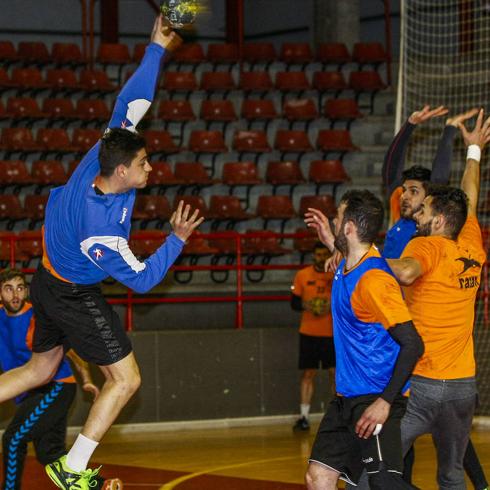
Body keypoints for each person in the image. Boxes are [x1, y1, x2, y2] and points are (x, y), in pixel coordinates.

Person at [0, 16, 203, 490]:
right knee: (126, 380)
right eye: (143, 164)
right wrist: (176, 240)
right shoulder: (102, 232)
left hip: (46, 280)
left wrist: (156, 47)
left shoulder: (105, 151)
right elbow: (142, 280)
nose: (150, 167)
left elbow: (132, 101)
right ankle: (72, 469)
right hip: (72, 293)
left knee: (39, 369)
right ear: (121, 174)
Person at [387, 109, 489, 489]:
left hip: (424, 384)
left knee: (373, 464)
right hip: (464, 385)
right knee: (450, 474)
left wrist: (364, 259)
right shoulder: (471, 241)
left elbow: (408, 271)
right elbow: (470, 193)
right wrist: (474, 151)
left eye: (426, 210)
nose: (421, 214)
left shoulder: (425, 245)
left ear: (441, 220)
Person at [303, 190, 424, 490]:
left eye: (338, 216)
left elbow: (413, 343)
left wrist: (385, 401)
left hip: (375, 397)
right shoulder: (347, 264)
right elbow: (347, 259)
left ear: (350, 227)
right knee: (318, 477)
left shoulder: (374, 280)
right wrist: (330, 241)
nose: (333, 219)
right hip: (346, 399)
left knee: (383, 483)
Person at [0, 269, 121, 490]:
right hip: (30, 393)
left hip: (55, 387)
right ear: (0, 294)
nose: (15, 295)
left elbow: (71, 350)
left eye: (19, 288)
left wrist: (86, 379)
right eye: (8, 289)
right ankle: (100, 487)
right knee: (50, 454)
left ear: (26, 291)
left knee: (13, 438)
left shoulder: (35, 317)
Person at [290, 242, 335, 431]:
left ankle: (337, 416)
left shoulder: (336, 274)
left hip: (331, 333)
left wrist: (329, 307)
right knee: (308, 374)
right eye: (318, 254)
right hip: (308, 332)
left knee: (336, 375)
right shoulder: (302, 275)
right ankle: (304, 416)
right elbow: (294, 303)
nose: (321, 257)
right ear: (313, 256)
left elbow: (348, 301)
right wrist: (306, 306)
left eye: (325, 254)